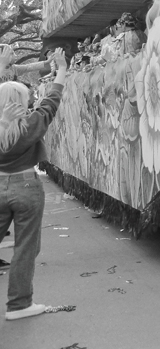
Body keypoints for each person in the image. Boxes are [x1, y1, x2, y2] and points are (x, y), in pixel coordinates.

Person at [0, 49, 68, 320]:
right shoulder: (32, 122)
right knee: (25, 247)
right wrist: (61, 68)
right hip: (27, 186)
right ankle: (19, 305)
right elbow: (52, 99)